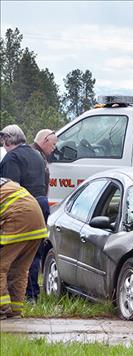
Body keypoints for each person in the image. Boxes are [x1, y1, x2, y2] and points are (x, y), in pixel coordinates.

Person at [0, 125, 48, 302]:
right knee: (26, 263)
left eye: (3, 139)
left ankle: (3, 308)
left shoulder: (11, 158)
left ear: (8, 139)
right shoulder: (36, 155)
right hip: (39, 209)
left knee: (4, 265)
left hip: (17, 212)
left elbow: (11, 188)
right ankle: (29, 298)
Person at [0, 178, 48, 319]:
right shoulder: (5, 182)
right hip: (37, 224)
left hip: (18, 219)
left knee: (1, 267)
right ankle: (15, 310)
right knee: (19, 269)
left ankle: (2, 309)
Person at [25, 129, 58, 301]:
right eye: (53, 144)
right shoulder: (35, 157)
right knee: (34, 253)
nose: (54, 149)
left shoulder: (37, 156)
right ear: (45, 140)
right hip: (35, 208)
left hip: (36, 206)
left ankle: (31, 292)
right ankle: (31, 294)